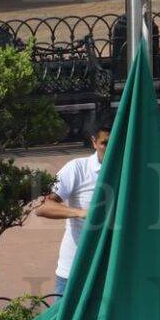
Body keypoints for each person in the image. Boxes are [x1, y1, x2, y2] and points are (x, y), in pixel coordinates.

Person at [34, 126, 109, 296]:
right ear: (94, 142)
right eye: (105, 143)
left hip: (113, 272)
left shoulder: (129, 174)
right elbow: (43, 207)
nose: (110, 148)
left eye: (116, 143)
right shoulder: (77, 168)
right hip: (74, 270)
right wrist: (81, 213)